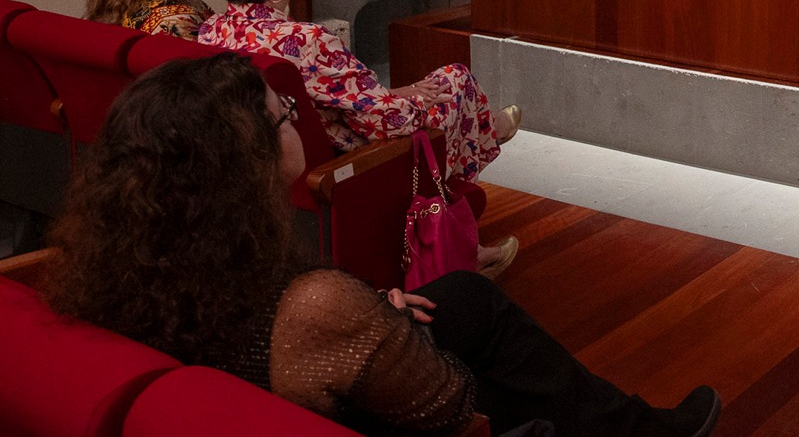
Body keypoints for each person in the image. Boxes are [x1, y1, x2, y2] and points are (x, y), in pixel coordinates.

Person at [44, 54, 721, 436]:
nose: (293, 121)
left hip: (270, 375)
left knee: (463, 297)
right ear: (239, 158)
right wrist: (368, 323)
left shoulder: (129, 258)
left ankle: (637, 430)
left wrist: (373, 312)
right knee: (489, 350)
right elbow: (460, 413)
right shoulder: (317, 307)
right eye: (283, 115)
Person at [197, 0, 522, 264]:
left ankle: (485, 147)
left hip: (276, 160)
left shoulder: (213, 31)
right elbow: (394, 122)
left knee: (425, 92)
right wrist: (404, 99)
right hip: (352, 163)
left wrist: (394, 93)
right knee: (455, 81)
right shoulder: (306, 42)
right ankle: (486, 146)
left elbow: (328, 98)